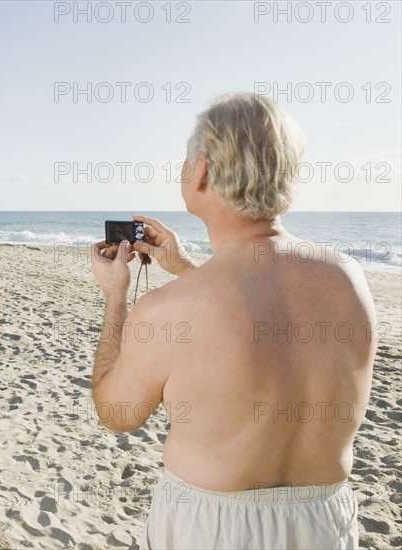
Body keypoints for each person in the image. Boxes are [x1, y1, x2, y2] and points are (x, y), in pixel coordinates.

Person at [90, 93, 377, 549]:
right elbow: (262, 320)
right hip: (327, 522)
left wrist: (115, 297)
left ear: (200, 169)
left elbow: (117, 414)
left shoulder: (171, 308)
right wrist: (187, 268)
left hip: (213, 526)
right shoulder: (347, 277)